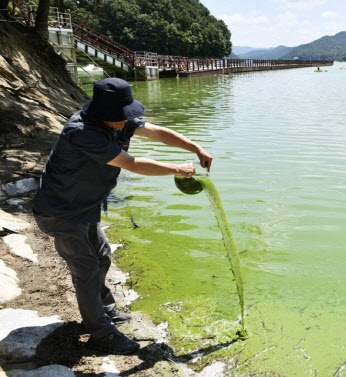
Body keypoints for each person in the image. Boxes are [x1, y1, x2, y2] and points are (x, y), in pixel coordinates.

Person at [32, 78, 213, 355]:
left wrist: (195, 148)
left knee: (102, 256)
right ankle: (101, 335)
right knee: (87, 269)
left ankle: (101, 313)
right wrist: (177, 169)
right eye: (120, 117)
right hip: (60, 211)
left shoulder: (118, 119)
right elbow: (132, 164)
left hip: (85, 206)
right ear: (102, 113)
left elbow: (158, 133)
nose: (126, 121)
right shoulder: (82, 132)